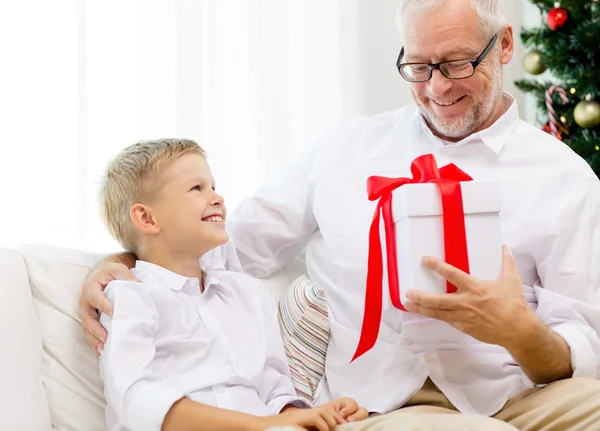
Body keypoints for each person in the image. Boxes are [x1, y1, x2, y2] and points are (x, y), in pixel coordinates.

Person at [81, 1, 600, 430]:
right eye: (419, 67)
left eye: (459, 63)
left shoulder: (565, 179)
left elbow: (582, 345)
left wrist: (518, 332)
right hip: (381, 404)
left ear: (505, 45)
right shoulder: (345, 148)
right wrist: (122, 261)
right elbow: (227, 246)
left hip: (518, 395)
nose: (437, 89)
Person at [94, 138, 368, 431]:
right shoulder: (129, 296)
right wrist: (259, 425)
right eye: (196, 188)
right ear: (147, 218)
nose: (217, 198)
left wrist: (310, 415)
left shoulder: (247, 293)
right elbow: (137, 399)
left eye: (213, 186)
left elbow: (274, 388)